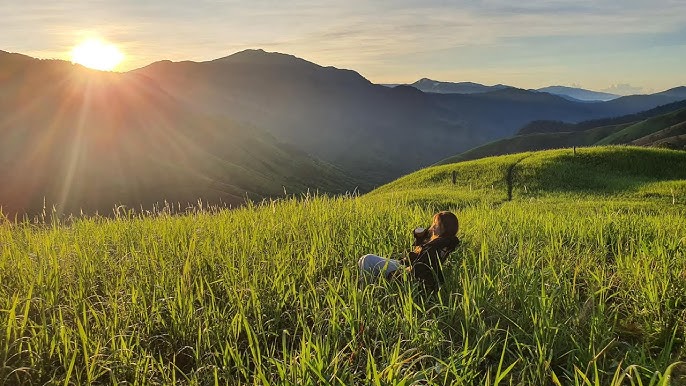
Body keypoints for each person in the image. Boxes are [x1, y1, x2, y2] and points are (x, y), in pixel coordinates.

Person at [358, 211, 460, 290]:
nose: (433, 226)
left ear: (444, 228)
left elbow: (418, 267)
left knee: (367, 259)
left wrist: (397, 273)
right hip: (406, 264)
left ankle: (365, 290)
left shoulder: (435, 246)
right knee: (363, 259)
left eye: (436, 224)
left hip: (406, 269)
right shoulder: (444, 242)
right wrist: (421, 236)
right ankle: (371, 286)